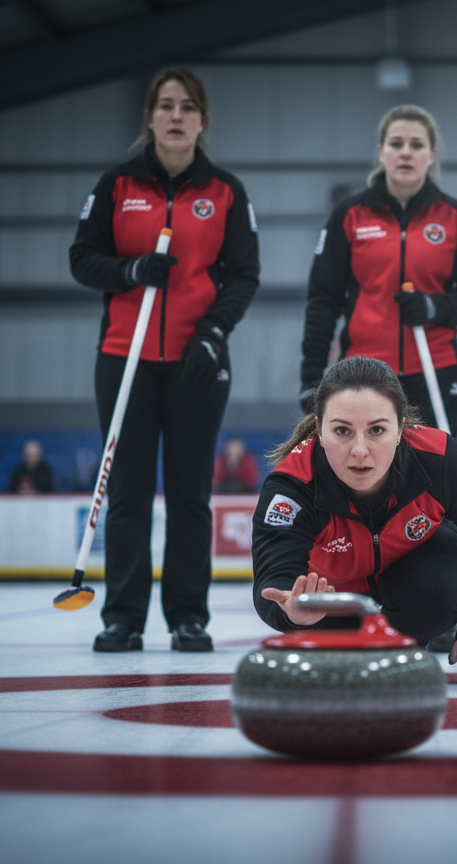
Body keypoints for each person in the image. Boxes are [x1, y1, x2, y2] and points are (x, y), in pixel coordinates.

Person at [69, 68, 260, 653]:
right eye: (165, 106)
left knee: (188, 495)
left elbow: (243, 276)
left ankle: (187, 615)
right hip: (124, 356)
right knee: (128, 495)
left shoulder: (225, 191)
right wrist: (129, 271)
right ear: (149, 117)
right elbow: (82, 259)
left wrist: (213, 332)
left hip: (196, 362)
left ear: (202, 120)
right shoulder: (116, 185)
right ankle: (123, 616)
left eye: (186, 107)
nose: (176, 116)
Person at [252, 356, 457, 682]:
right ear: (319, 429)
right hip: (332, 602)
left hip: (416, 578)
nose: (360, 450)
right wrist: (293, 615)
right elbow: (273, 586)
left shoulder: (440, 459)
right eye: (342, 431)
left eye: (377, 430)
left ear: (401, 428)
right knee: (325, 629)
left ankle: (409, 633)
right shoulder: (291, 486)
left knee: (439, 597)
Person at [300, 105, 457, 437]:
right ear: (381, 152)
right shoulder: (349, 216)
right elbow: (323, 300)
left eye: (416, 145)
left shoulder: (456, 217)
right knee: (367, 475)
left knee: (431, 477)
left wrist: (434, 307)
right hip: (364, 373)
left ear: (432, 154)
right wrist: (310, 378)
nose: (406, 153)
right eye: (396, 144)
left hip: (435, 368)